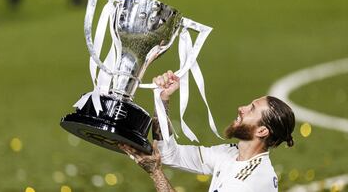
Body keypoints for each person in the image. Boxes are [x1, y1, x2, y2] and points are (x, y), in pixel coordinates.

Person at [119, 70, 295, 192]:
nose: (242, 108)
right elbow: (170, 155)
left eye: (252, 109)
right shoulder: (230, 154)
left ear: (262, 131)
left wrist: (156, 173)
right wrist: (162, 98)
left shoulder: (245, 182)